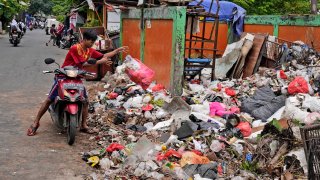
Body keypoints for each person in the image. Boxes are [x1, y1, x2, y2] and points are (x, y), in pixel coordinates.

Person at [27, 30, 128, 136]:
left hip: (76, 77)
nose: (92, 43)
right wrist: (100, 62)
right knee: (49, 99)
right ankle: (35, 122)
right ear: (84, 39)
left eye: (93, 41)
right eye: (91, 41)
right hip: (63, 76)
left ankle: (83, 125)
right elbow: (82, 63)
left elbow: (104, 55)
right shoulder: (75, 48)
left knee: (85, 101)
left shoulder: (90, 50)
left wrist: (117, 50)